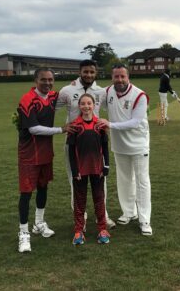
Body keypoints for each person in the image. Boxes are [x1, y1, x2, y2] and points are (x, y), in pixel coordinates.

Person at [17, 68, 74, 253]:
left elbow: (67, 93)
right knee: (26, 193)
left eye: (51, 80)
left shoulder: (52, 96)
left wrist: (75, 84)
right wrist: (61, 129)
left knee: (43, 187)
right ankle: (23, 233)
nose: (48, 83)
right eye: (44, 80)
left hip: (45, 152)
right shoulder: (27, 99)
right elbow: (33, 129)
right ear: (36, 80)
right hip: (29, 153)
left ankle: (39, 223)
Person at [57, 59, 116, 230]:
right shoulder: (67, 90)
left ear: (95, 73)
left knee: (100, 181)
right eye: (85, 72)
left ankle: (102, 216)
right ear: (80, 71)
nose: (88, 75)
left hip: (95, 142)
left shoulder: (101, 91)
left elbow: (113, 107)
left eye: (92, 72)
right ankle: (80, 219)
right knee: (75, 180)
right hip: (74, 143)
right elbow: (51, 107)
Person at [98, 64, 152, 236]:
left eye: (123, 76)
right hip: (119, 145)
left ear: (128, 77)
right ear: (112, 77)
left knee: (142, 181)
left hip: (138, 144)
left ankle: (145, 220)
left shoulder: (139, 95)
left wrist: (110, 124)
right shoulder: (108, 92)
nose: (119, 80)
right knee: (124, 179)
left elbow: (135, 122)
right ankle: (129, 212)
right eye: (116, 77)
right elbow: (91, 95)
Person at [67, 94, 110, 245]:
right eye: (83, 104)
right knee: (80, 201)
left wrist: (106, 166)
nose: (86, 106)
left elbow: (104, 147)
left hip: (97, 168)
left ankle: (102, 229)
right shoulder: (75, 126)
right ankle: (78, 231)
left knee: (99, 199)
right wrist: (74, 170)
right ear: (79, 106)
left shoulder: (100, 125)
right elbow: (71, 151)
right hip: (80, 170)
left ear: (93, 105)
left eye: (89, 103)